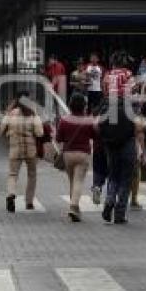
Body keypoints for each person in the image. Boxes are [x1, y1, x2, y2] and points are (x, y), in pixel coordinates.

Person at [98, 54, 138, 225]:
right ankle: (120, 213)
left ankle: (108, 201)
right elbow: (134, 91)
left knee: (113, 174)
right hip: (127, 131)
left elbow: (104, 93)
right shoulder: (129, 74)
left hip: (110, 132)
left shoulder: (107, 75)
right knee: (126, 176)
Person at [0, 91, 44, 213]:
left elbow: (0, 131)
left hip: (15, 149)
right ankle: (29, 202)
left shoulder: (10, 114)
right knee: (32, 175)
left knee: (13, 174)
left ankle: (11, 194)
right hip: (30, 151)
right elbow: (40, 133)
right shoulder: (32, 115)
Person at [56, 93, 96, 222]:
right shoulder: (88, 120)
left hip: (68, 154)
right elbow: (95, 136)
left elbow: (58, 138)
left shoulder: (64, 120)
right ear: (84, 106)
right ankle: (73, 207)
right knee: (78, 181)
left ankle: (75, 208)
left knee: (72, 181)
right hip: (83, 153)